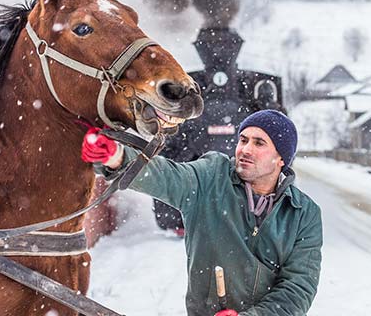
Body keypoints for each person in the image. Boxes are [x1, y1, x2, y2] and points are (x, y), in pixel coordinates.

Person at [82, 110, 322, 316]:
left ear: (281, 158)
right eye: (243, 139)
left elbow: (298, 287)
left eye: (259, 143)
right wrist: (118, 157)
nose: (245, 149)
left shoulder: (303, 213)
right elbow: (168, 177)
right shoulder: (211, 177)